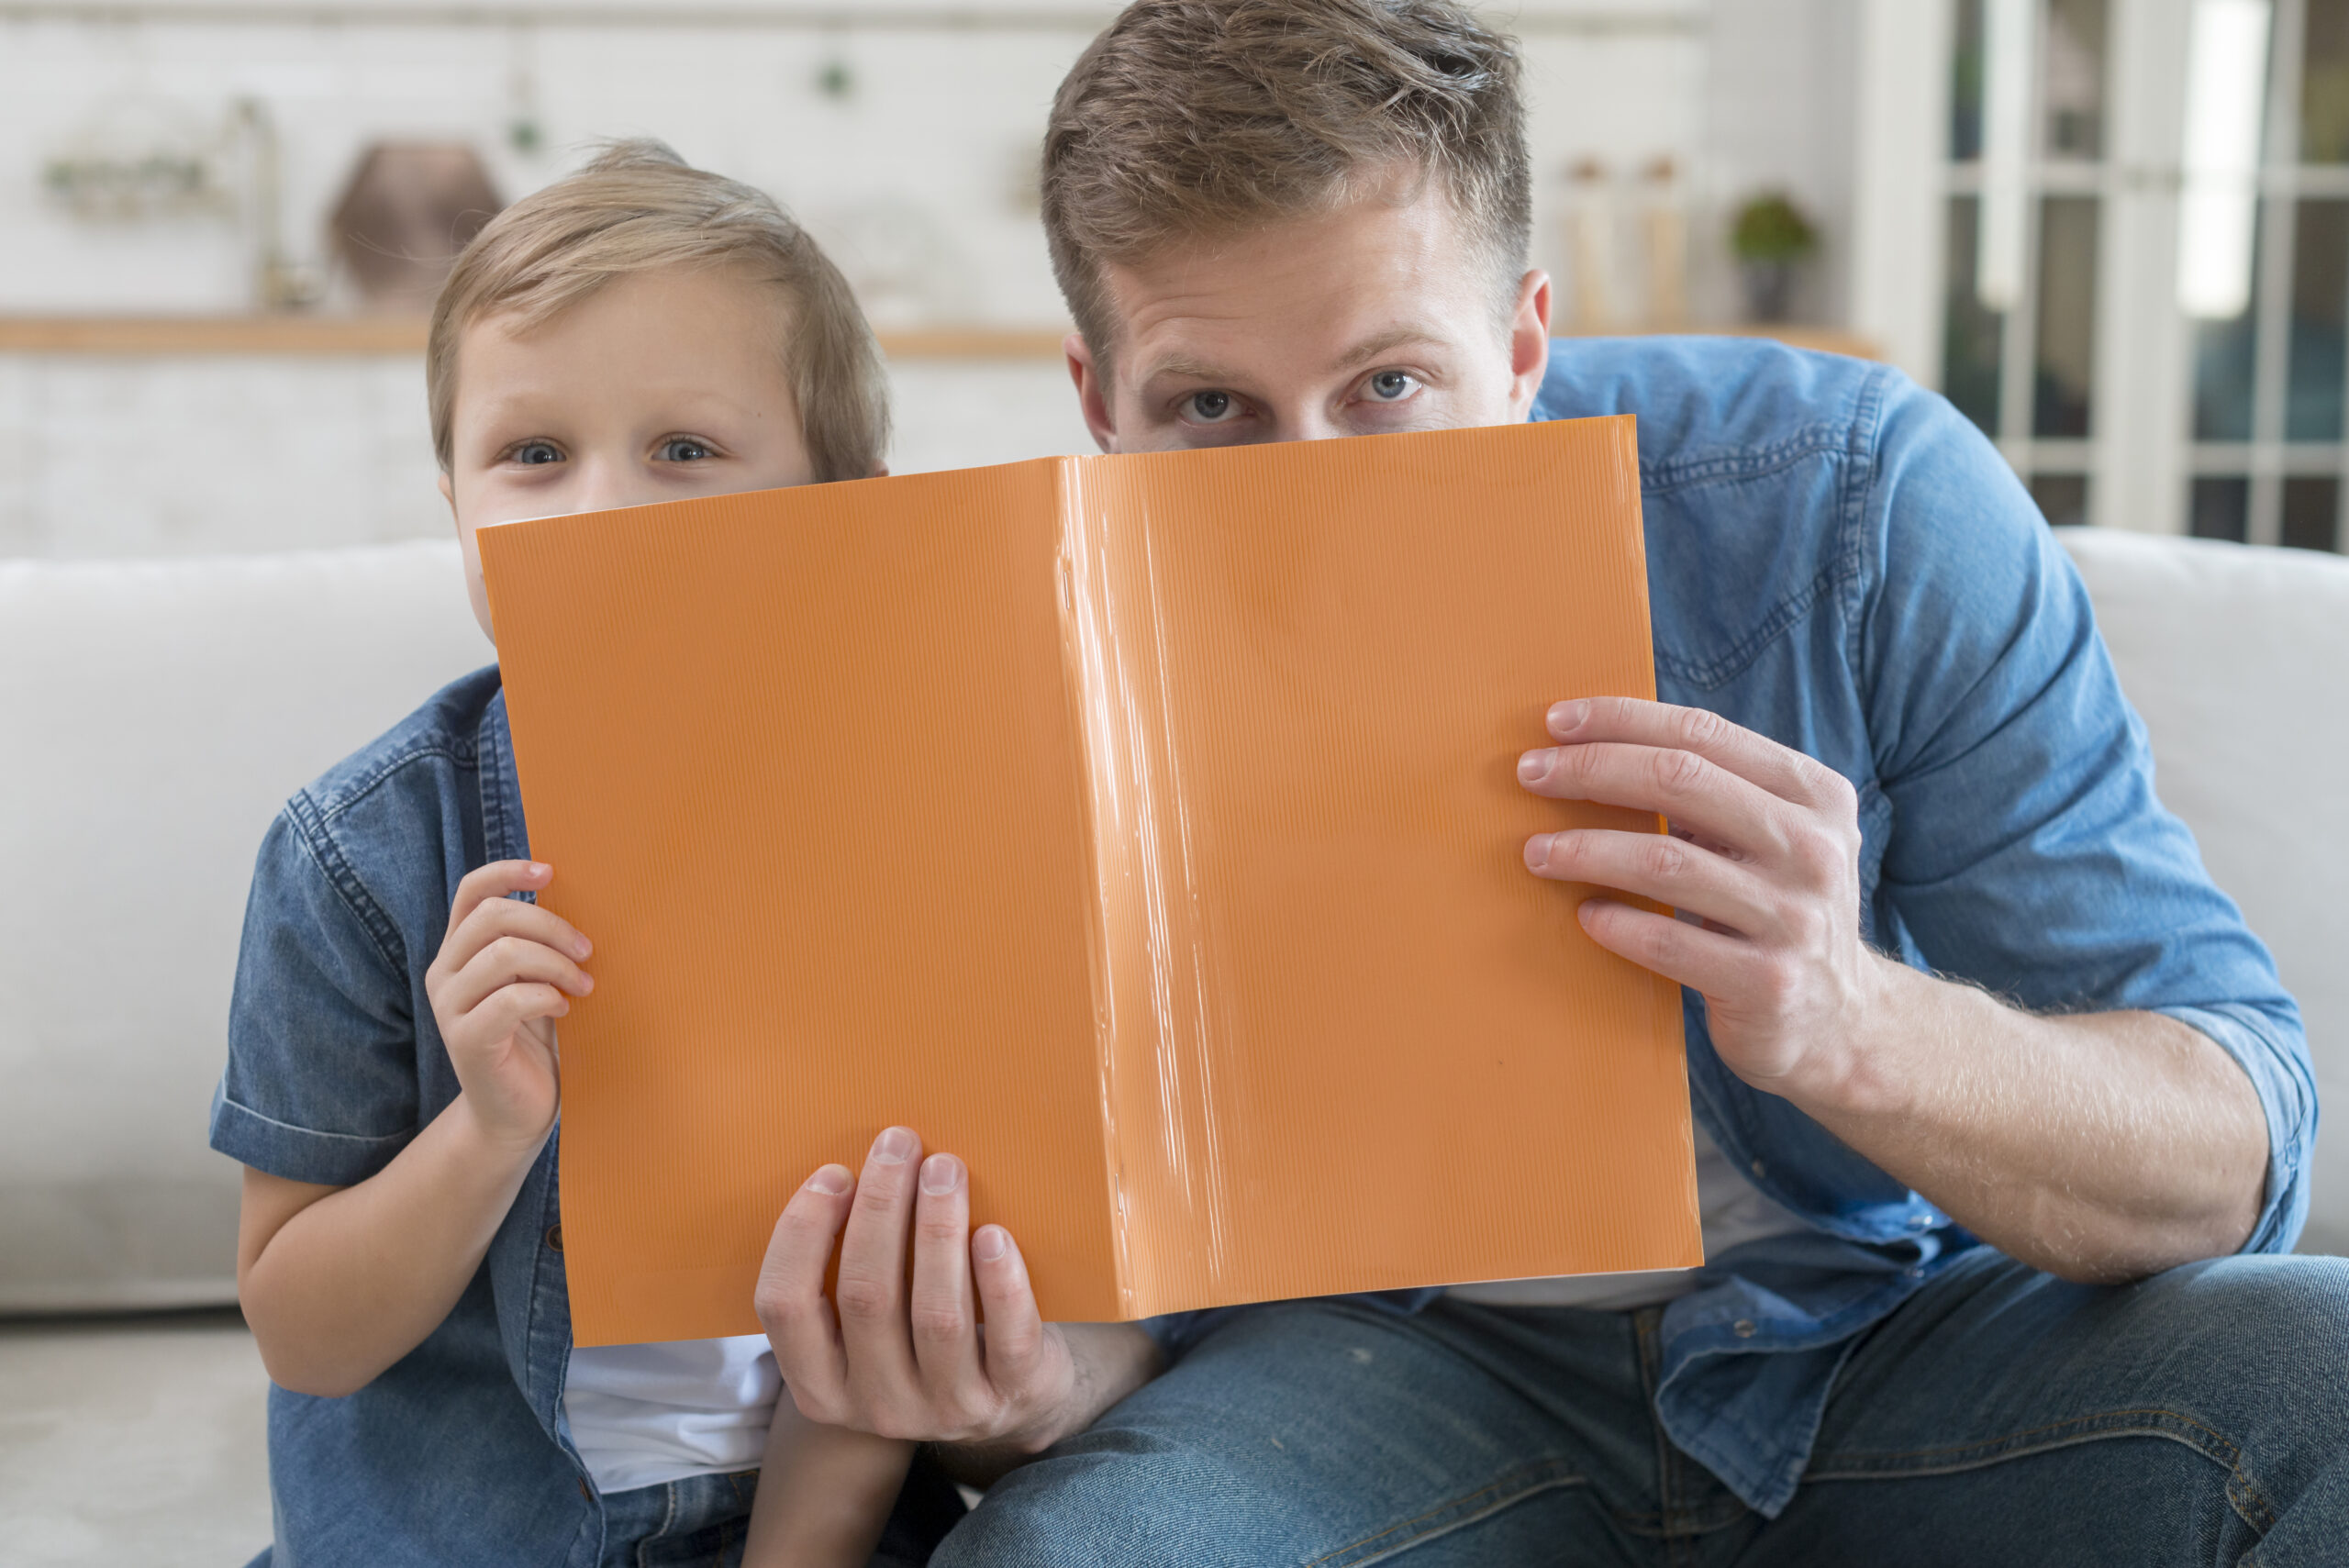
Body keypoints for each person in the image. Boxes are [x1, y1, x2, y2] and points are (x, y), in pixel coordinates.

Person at [749, 3, 2349, 1562]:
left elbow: (2236, 1145)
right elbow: (1111, 1343)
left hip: (1880, 1342)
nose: (1315, 502)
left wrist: (1853, 1023)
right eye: (1213, 408)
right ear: (1102, 409)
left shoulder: (1849, 501)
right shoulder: (1001, 665)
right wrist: (1012, 1400)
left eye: (1388, 386)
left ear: (1522, 344)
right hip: (1371, 1380)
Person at [209, 141, 964, 1567]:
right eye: (532, 454)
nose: (602, 516)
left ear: (844, 510)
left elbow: (890, 1294)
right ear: (456, 507)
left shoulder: (915, 831)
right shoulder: (355, 856)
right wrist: (487, 1130)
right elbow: (304, 1334)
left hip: (809, 1524)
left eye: (684, 449)